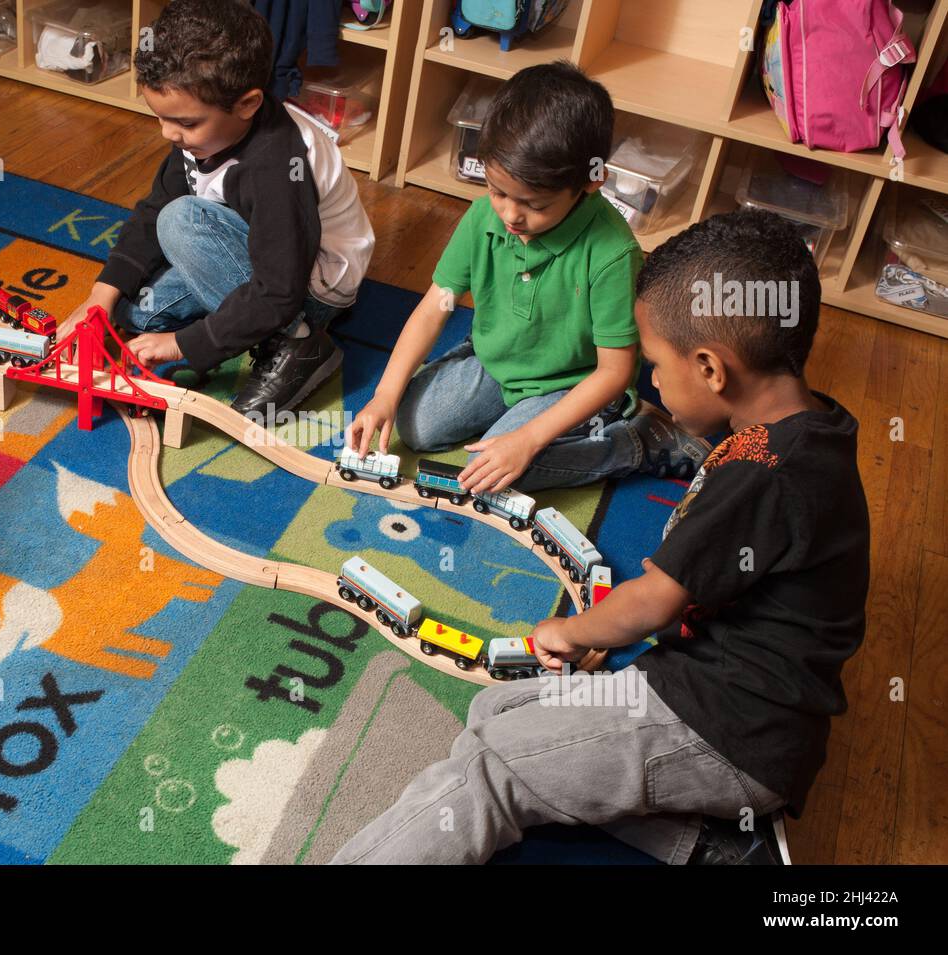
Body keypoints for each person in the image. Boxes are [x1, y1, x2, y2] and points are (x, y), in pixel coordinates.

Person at [331, 209, 870, 865]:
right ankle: (711, 848)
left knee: (490, 767)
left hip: (725, 730)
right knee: (496, 713)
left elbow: (652, 603)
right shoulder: (803, 429)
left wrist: (568, 633)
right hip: (709, 695)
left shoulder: (762, 476)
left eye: (655, 367)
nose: (655, 384)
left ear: (710, 367)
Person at [347, 61, 707, 493]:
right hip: (498, 363)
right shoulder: (484, 216)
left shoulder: (613, 253)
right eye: (498, 192)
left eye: (534, 204)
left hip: (575, 384)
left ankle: (635, 442)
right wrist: (385, 394)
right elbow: (434, 307)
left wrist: (528, 439)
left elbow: (614, 372)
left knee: (515, 469)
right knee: (413, 426)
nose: (511, 215)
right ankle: (504, 413)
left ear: (591, 182)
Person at [62, 0, 375, 419]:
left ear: (247, 105)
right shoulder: (206, 131)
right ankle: (239, 314)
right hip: (246, 246)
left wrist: (183, 345)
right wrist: (100, 297)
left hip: (309, 286)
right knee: (134, 309)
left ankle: (298, 343)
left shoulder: (279, 165)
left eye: (186, 123)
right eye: (161, 117)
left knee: (182, 221)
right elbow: (153, 209)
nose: (169, 133)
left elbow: (280, 288)